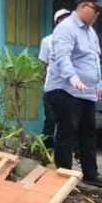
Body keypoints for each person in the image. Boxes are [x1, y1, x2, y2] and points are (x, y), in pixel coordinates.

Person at [45, 0, 102, 188]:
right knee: (67, 132)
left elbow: (94, 59)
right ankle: (64, 177)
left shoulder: (90, 32)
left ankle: (90, 174)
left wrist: (98, 84)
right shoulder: (66, 28)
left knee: (87, 133)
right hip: (65, 89)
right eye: (96, 10)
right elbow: (61, 56)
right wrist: (72, 77)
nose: (98, 14)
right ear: (83, 6)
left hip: (86, 92)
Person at [38, 9, 72, 149]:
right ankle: (47, 151)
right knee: (50, 121)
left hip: (70, 89)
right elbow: (43, 65)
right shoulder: (47, 41)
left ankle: (69, 153)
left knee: (69, 123)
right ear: (56, 23)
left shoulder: (75, 40)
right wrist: (45, 85)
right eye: (61, 19)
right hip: (52, 88)